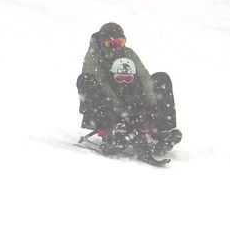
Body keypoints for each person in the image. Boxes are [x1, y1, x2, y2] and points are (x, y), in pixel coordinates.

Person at [76, 22, 181, 157]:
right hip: (106, 104)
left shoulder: (128, 53)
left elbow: (145, 78)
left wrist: (153, 105)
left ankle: (162, 130)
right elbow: (102, 83)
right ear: (103, 42)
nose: (116, 48)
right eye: (110, 44)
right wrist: (118, 107)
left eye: (119, 42)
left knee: (161, 79)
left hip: (128, 99)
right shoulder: (93, 56)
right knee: (86, 80)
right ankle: (111, 129)